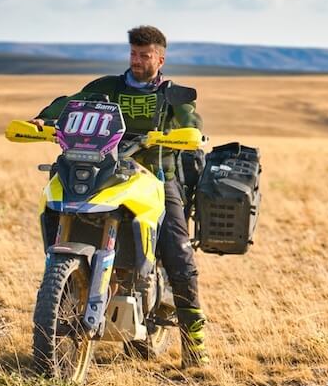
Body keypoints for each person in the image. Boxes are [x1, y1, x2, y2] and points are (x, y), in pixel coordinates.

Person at [32, 25, 209, 367]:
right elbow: (70, 104)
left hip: (157, 177)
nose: (138, 61)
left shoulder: (172, 95)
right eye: (133, 54)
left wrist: (191, 134)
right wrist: (44, 118)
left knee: (177, 253)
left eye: (145, 55)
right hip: (107, 172)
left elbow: (191, 121)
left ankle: (194, 343)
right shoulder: (107, 88)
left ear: (160, 58)